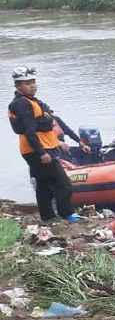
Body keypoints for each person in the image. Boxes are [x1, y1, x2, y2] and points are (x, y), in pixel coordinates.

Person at [7, 66, 78, 223]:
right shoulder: (21, 104)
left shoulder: (33, 101)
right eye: (27, 83)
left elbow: (47, 120)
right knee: (63, 183)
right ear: (18, 86)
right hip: (38, 150)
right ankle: (66, 213)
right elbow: (29, 130)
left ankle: (48, 217)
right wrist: (41, 153)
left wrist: (44, 121)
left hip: (40, 148)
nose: (32, 85)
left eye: (33, 82)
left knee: (44, 184)